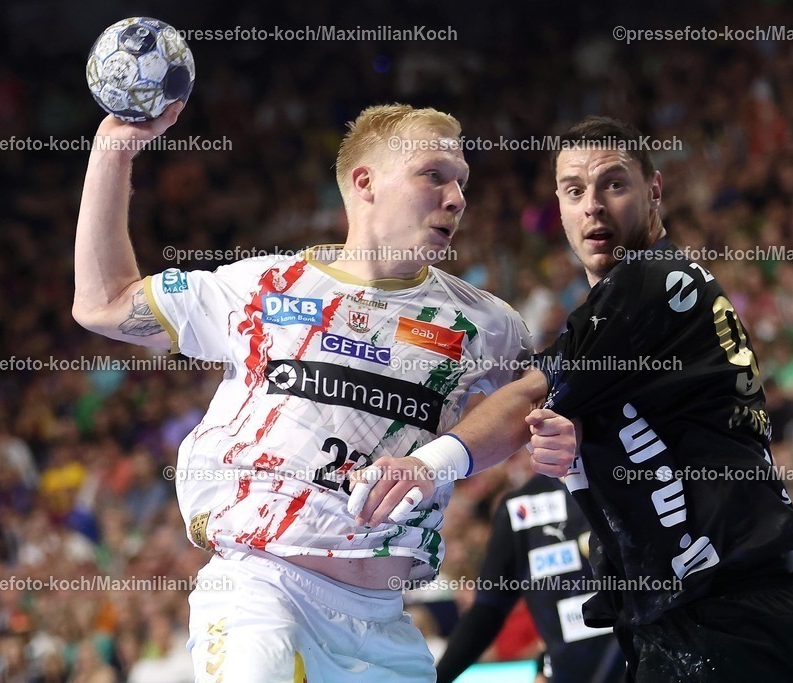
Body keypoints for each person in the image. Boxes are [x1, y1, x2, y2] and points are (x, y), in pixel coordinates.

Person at [71, 100, 576, 683]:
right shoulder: (262, 287)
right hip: (262, 591)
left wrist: (548, 435)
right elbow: (103, 303)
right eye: (434, 175)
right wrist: (114, 147)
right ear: (365, 183)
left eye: (462, 182)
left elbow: (537, 400)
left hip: (383, 624)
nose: (457, 197)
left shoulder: (487, 324)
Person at [351, 116, 793, 682]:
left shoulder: (656, 280)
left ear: (654, 192)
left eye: (614, 184)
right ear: (559, 205)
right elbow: (627, 427)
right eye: (575, 190)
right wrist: (578, 455)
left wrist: (428, 463)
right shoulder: (629, 320)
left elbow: (534, 389)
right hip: (678, 617)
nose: (593, 206)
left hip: (726, 619)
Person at [436, 474, 625, 683]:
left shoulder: (630, 480)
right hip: (572, 674)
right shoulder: (521, 507)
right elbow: (487, 610)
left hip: (649, 665)